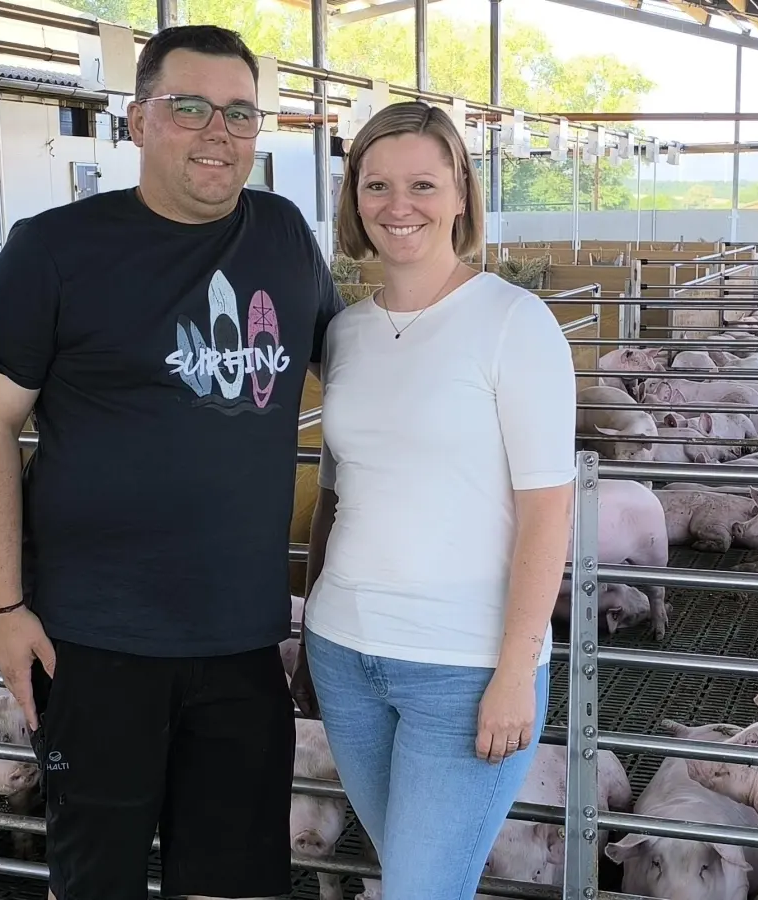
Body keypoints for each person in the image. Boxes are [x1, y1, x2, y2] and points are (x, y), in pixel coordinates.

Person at [0, 24, 343, 900]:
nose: (219, 131)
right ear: (137, 121)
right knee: (98, 880)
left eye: (241, 113)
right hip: (92, 645)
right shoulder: (53, 250)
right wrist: (2, 607)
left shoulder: (284, 237)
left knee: (238, 881)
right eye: (190, 107)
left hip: (245, 642)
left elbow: (361, 372)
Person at [291, 101, 577, 898]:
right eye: (375, 185)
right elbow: (335, 497)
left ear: (460, 194)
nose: (398, 205)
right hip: (344, 651)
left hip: (463, 666)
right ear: (353, 200)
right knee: (417, 879)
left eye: (422, 183)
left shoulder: (515, 323)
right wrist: (313, 625)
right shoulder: (344, 333)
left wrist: (516, 672)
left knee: (420, 888)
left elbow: (548, 511)